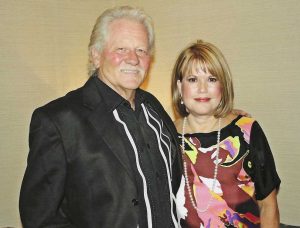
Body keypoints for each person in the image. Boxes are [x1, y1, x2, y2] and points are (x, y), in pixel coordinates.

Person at [19, 6, 182, 228]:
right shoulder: (58, 121)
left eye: (141, 50)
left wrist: (228, 117)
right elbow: (40, 219)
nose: (133, 59)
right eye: (121, 49)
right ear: (96, 56)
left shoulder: (154, 107)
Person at [172, 40, 281, 227]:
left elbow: (268, 205)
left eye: (212, 79)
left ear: (222, 86)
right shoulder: (163, 136)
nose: (202, 88)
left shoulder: (246, 131)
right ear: (180, 87)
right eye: (192, 79)